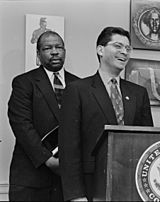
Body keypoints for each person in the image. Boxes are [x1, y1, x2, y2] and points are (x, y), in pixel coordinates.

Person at [59, 26, 154, 201]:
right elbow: (68, 148)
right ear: (100, 50)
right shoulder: (77, 90)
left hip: (132, 185)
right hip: (91, 186)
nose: (124, 52)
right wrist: (75, 195)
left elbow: (147, 142)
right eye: (118, 46)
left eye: (128, 48)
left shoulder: (138, 93)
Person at [7, 31, 79, 201]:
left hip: (67, 181)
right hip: (31, 178)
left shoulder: (79, 85)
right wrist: (48, 159)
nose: (54, 51)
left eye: (58, 47)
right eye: (47, 48)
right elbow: (21, 124)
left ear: (64, 51)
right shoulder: (24, 82)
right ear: (38, 54)